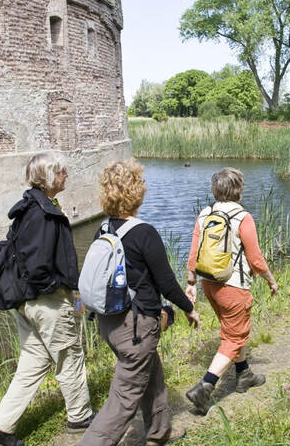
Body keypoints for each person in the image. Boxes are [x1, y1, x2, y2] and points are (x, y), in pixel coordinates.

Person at [79, 159, 199, 446]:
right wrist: (189, 307)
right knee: (123, 398)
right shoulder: (144, 232)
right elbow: (167, 283)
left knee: (151, 371)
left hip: (110, 324)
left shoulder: (105, 229)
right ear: (136, 192)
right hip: (136, 327)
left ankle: (159, 432)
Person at [0, 152, 95, 446]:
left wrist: (73, 292)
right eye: (61, 171)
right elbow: (37, 266)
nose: (66, 175)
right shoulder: (42, 214)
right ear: (47, 176)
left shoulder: (30, 208)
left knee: (33, 362)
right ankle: (80, 416)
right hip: (47, 302)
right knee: (69, 355)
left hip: (27, 301)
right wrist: (60, 290)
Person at [184, 167, 279, 415]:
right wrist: (271, 280)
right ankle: (204, 387)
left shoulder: (204, 214)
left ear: (215, 189)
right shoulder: (242, 217)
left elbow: (193, 254)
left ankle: (244, 374)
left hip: (209, 285)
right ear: (238, 189)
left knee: (232, 330)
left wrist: (191, 283)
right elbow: (256, 260)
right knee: (234, 338)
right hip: (233, 287)